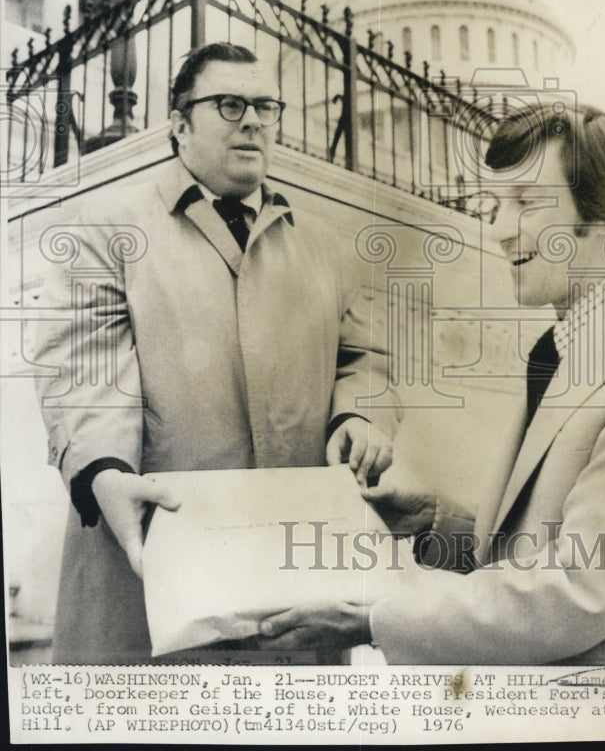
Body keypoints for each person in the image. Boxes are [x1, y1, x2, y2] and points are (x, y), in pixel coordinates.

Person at [258, 102, 605, 666]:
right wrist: (435, 522)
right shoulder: (564, 343)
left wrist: (372, 619)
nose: (499, 229)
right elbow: (545, 539)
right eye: (494, 205)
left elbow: (581, 588)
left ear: (604, 218)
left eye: (526, 203)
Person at [33, 41, 398, 664]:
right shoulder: (103, 228)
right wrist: (104, 472)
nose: (252, 119)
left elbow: (361, 359)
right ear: (179, 124)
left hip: (290, 593)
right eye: (229, 104)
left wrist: (357, 416)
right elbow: (86, 373)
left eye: (265, 106)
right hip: (149, 572)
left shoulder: (327, 248)